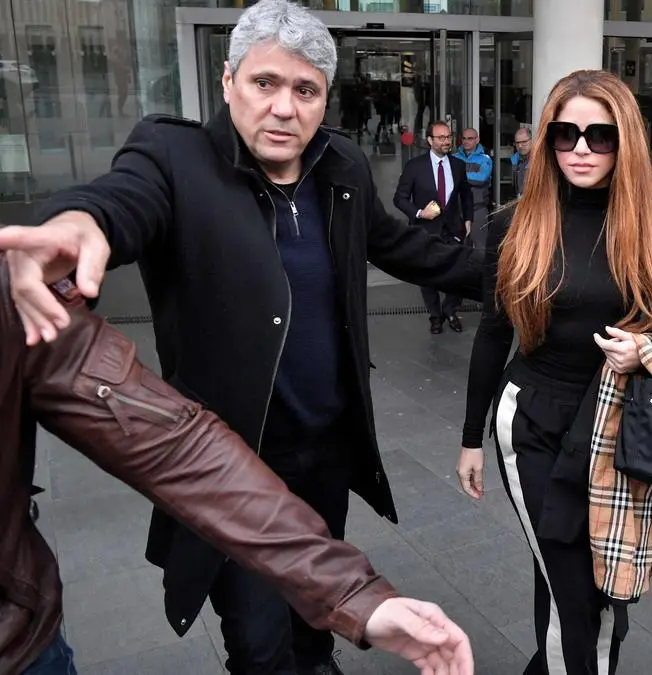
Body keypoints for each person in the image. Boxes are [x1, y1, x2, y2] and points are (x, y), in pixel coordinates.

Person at [3, 2, 482, 674]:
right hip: (228, 462)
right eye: (265, 83)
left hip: (325, 451)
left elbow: (406, 249)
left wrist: (518, 276)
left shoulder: (341, 166)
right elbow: (122, 199)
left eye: (305, 90)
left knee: (316, 623)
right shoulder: (175, 156)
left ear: (324, 99)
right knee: (260, 647)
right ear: (228, 82)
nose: (284, 108)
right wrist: (81, 221)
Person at [0, 251, 473, 675]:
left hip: (21, 645)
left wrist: (352, 592)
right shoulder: (180, 186)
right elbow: (125, 207)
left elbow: (176, 446)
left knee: (301, 636)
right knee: (256, 642)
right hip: (243, 448)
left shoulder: (12, 294)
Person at [454, 69, 652, 675]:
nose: (581, 149)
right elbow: (493, 333)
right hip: (532, 419)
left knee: (604, 589)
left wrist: (644, 351)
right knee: (568, 588)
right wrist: (471, 437)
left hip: (616, 424)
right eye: (565, 134)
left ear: (625, 141)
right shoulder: (513, 225)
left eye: (599, 135)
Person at [394, 120, 475, 334]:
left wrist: (468, 219)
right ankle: (435, 316)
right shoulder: (414, 167)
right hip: (425, 231)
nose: (446, 141)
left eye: (448, 137)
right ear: (430, 140)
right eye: (441, 137)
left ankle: (450, 310)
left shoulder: (458, 165)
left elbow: (466, 194)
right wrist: (420, 213)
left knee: (458, 273)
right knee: (428, 275)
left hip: (454, 230)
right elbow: (400, 198)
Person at [452, 127, 494, 243]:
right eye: (464, 138)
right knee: (457, 246)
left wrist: (460, 176)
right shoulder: (454, 157)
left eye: (470, 138)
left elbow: (481, 178)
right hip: (458, 209)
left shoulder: (485, 159)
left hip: (478, 209)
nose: (466, 141)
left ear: (477, 140)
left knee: (479, 246)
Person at [510, 126, 532, 198]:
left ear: (532, 140)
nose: (520, 146)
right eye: (517, 143)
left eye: (524, 142)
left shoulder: (540, 161)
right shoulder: (515, 160)